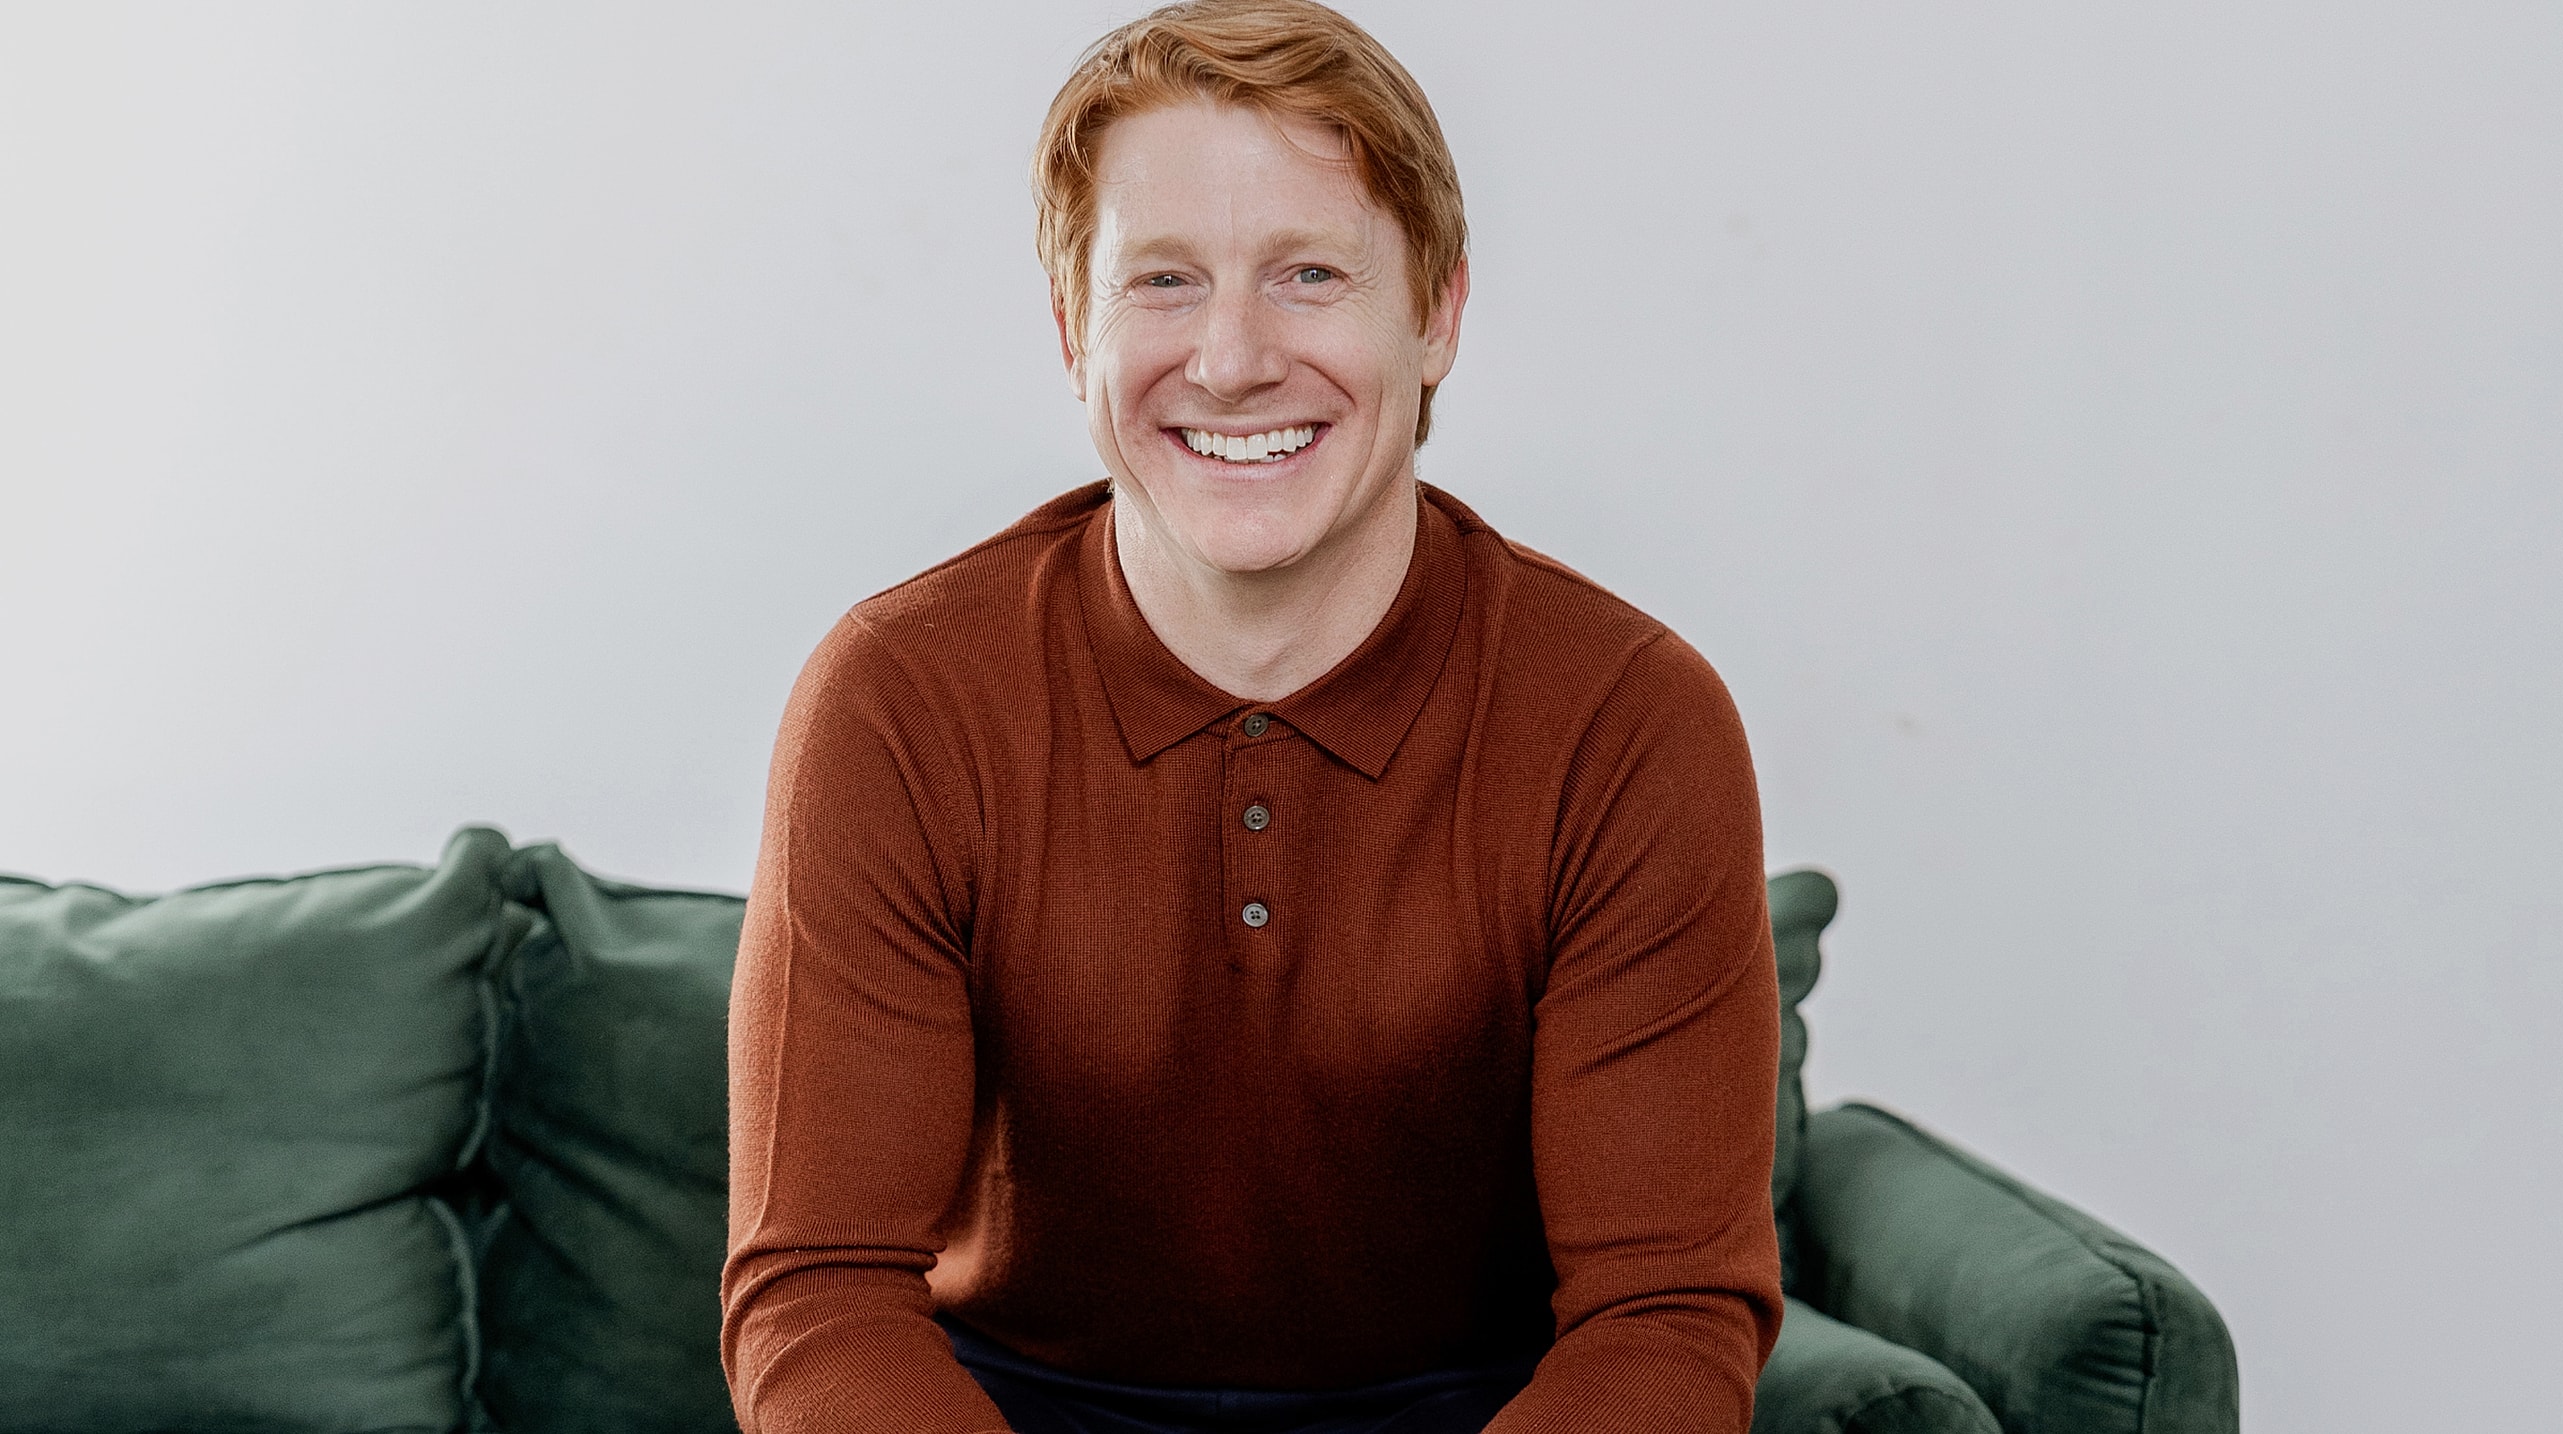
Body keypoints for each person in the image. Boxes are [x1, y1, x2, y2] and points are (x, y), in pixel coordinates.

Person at [721, 2, 1784, 1430]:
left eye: (1309, 275)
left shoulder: (1629, 720)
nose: (1230, 358)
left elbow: (1664, 1317)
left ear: (1438, 317)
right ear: (1070, 332)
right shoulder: (896, 699)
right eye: (1162, 281)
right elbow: (819, 1294)